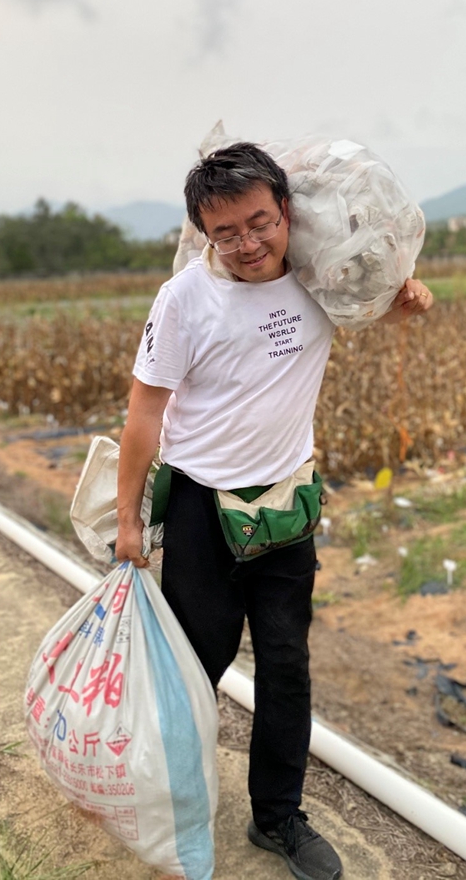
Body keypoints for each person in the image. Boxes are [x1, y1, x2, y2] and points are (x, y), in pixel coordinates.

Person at [116, 142, 433, 880]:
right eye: (226, 232)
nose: (248, 243)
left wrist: (412, 297)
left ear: (286, 211)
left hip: (286, 507)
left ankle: (278, 816)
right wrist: (130, 520)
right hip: (201, 509)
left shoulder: (320, 279)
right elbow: (144, 412)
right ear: (204, 231)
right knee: (194, 669)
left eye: (259, 222)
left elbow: (385, 303)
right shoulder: (184, 299)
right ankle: (172, 808)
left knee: (287, 666)